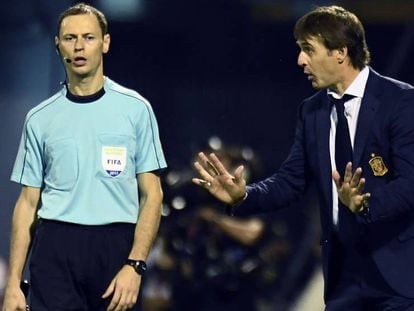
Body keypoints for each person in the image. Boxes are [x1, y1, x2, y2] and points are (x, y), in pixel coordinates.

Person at [193, 5, 414, 310]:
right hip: (343, 277)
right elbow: (291, 180)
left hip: (399, 277)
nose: (300, 60)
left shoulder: (401, 102)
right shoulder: (312, 111)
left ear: (340, 52)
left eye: (308, 49)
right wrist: (243, 195)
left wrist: (365, 205)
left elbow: (410, 184)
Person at [3, 3, 167, 311]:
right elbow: (27, 203)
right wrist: (12, 285)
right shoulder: (39, 118)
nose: (79, 46)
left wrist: (135, 265)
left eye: (89, 37)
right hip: (55, 247)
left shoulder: (136, 110)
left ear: (105, 43)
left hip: (115, 248)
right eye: (70, 38)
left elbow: (153, 195)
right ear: (57, 45)